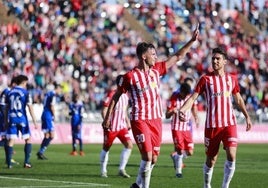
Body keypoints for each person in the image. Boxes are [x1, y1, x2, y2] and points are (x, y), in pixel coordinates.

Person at [102, 25, 199, 188]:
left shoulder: (157, 70)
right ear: (143, 56)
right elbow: (116, 97)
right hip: (140, 120)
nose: (156, 56)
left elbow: (177, 56)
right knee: (147, 156)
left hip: (156, 120)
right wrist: (107, 118)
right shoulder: (130, 77)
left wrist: (191, 41)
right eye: (153, 54)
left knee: (153, 158)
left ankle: (138, 185)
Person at [179, 47, 252, 188]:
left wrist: (247, 116)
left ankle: (225, 186)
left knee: (231, 155)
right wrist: (182, 110)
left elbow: (238, 99)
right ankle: (207, 185)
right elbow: (193, 98)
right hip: (212, 126)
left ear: (224, 61)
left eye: (218, 58)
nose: (215, 61)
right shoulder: (205, 80)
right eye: (213, 58)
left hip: (229, 123)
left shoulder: (232, 79)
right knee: (211, 160)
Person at [100, 75, 133, 178]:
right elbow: (104, 110)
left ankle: (121, 169)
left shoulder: (126, 95)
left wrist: (127, 121)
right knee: (106, 148)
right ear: (121, 83)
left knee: (129, 145)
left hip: (121, 126)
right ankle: (103, 170)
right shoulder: (111, 93)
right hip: (111, 127)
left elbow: (124, 110)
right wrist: (106, 121)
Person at [166, 82, 199, 178]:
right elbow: (167, 115)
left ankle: (175, 157)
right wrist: (173, 111)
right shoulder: (173, 97)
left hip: (187, 128)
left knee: (190, 152)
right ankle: (178, 172)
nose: (185, 95)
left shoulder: (190, 96)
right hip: (176, 127)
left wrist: (196, 117)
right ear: (181, 91)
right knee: (180, 150)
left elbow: (194, 106)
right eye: (184, 93)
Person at [5, 74, 38, 168]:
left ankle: (9, 163)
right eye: (26, 83)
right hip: (22, 118)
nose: (26, 85)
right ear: (23, 82)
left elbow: (6, 108)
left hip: (12, 118)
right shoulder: (26, 93)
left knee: (11, 140)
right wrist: (35, 121)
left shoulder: (10, 92)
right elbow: (30, 107)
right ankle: (27, 162)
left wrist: (5, 120)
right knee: (28, 139)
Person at [37, 83, 62, 160]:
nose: (60, 91)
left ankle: (40, 153)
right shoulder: (53, 95)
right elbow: (52, 106)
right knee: (52, 135)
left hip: (44, 114)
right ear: (57, 88)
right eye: (60, 89)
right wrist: (54, 115)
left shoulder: (48, 93)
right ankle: (41, 151)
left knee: (47, 135)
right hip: (48, 115)